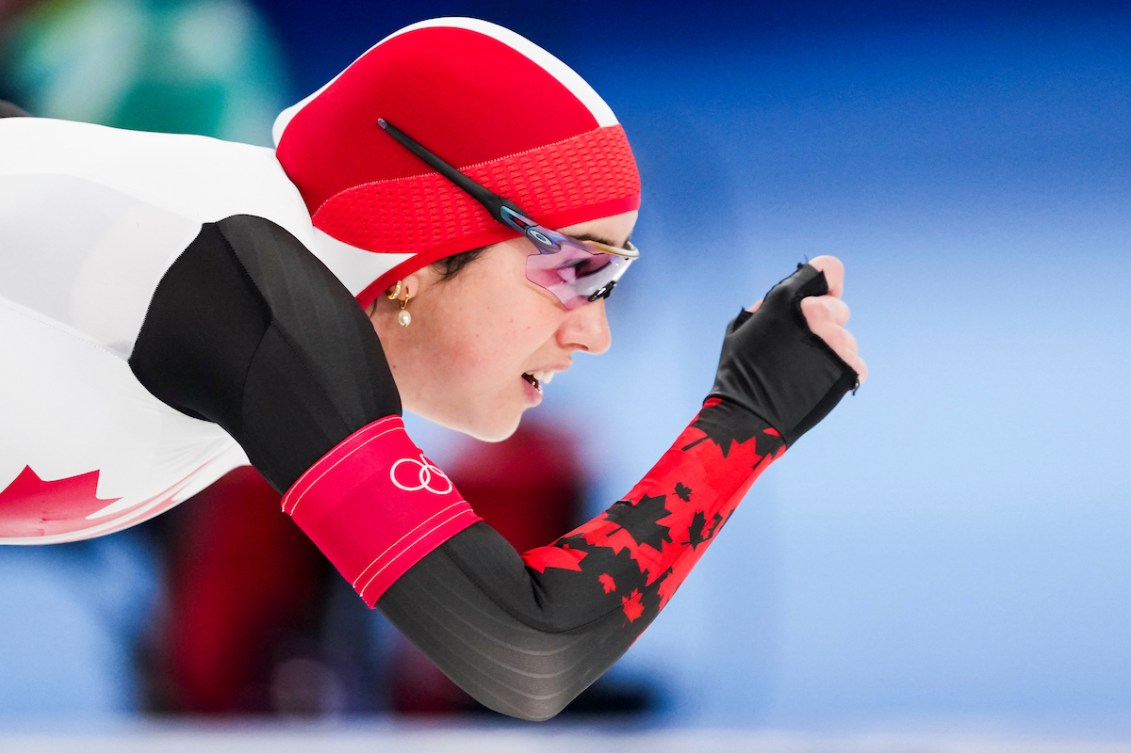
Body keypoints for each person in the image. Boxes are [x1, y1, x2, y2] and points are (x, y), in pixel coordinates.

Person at [0, 17, 867, 720]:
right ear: (420, 251)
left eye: (612, 278)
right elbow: (525, 649)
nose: (597, 334)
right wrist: (743, 420)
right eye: (577, 269)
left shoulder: (234, 286)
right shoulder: (232, 288)